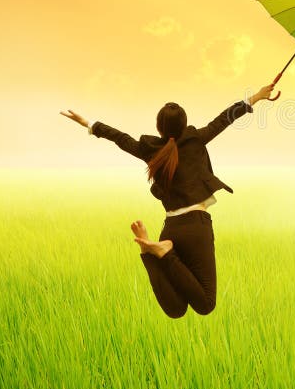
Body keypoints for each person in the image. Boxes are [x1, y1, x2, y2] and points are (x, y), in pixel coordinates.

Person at [60, 83, 279, 318]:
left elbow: (121, 139)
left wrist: (90, 124)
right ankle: (160, 253)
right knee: (205, 304)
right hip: (196, 227)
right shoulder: (196, 139)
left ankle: (153, 251)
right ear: (184, 125)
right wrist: (256, 97)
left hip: (172, 228)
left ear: (159, 127)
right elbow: (224, 119)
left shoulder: (152, 149)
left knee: (176, 310)